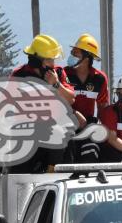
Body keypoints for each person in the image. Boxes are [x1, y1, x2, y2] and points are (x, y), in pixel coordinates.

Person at [9, 34, 76, 173]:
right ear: (37, 60)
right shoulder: (18, 75)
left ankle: (53, 175)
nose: (53, 63)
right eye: (49, 60)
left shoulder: (58, 72)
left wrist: (56, 84)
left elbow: (70, 99)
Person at [64, 34, 110, 163]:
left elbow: (102, 108)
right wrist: (73, 113)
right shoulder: (63, 74)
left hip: (88, 126)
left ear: (87, 57)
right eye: (72, 52)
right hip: (66, 124)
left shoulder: (100, 78)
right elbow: (57, 103)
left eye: (76, 53)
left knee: (91, 150)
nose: (72, 55)